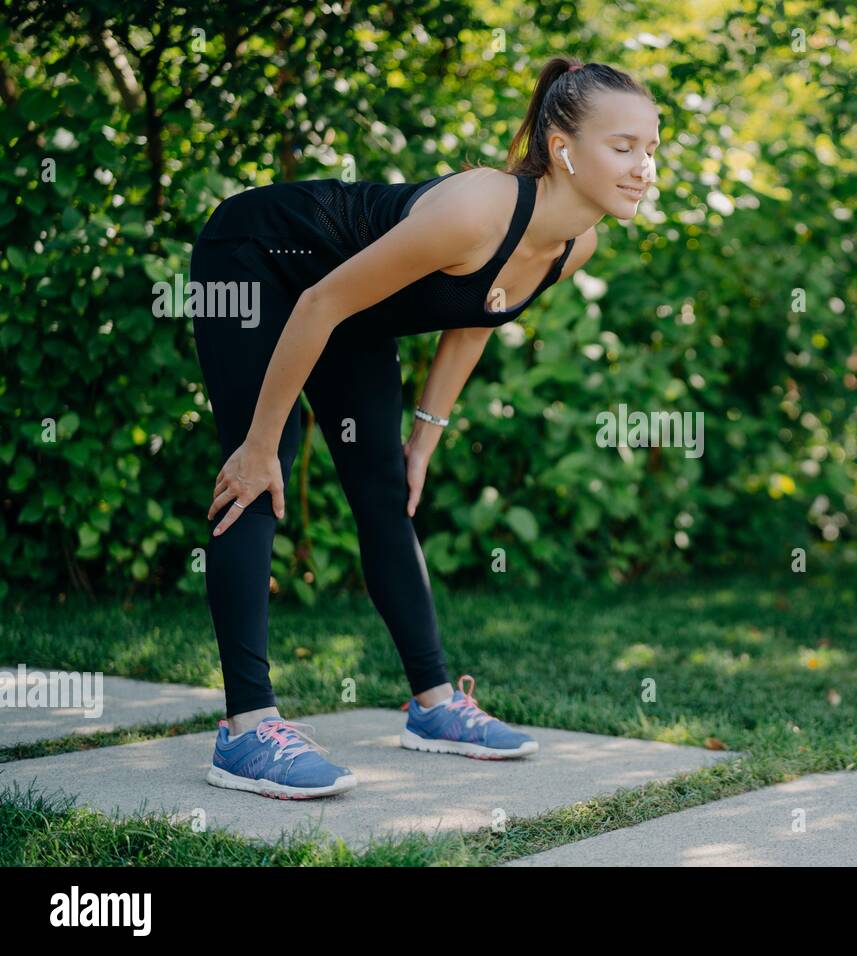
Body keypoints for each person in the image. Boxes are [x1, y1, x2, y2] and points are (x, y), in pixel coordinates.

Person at [190, 57, 660, 799]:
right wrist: (257, 442)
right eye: (623, 146)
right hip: (259, 259)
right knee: (257, 474)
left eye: (651, 149)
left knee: (384, 487)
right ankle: (246, 729)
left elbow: (480, 317)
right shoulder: (477, 208)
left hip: (343, 307)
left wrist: (424, 441)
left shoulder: (575, 244)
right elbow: (316, 302)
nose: (644, 167)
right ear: (565, 149)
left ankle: (434, 706)